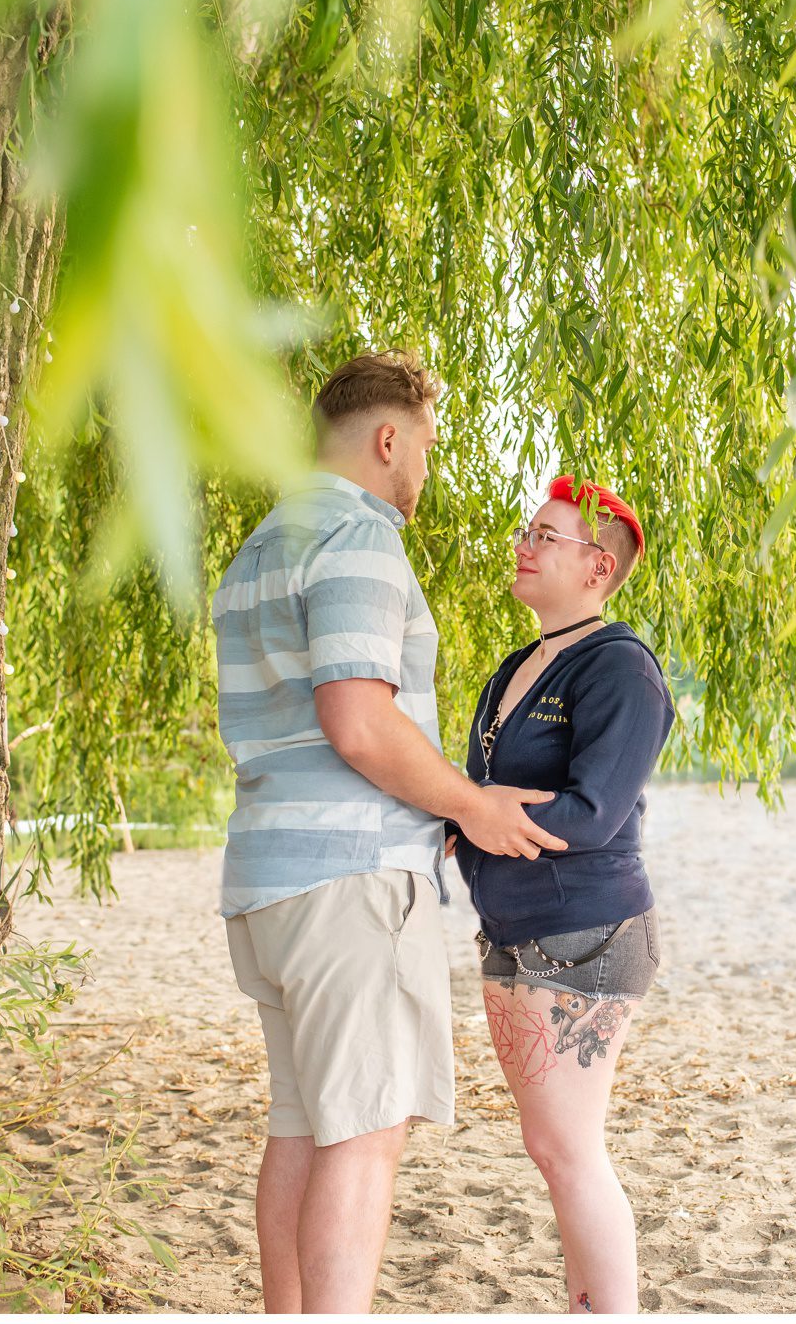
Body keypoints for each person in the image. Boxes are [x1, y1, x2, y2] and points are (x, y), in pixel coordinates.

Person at [211, 350, 566, 1313]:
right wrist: (469, 803)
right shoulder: (359, 539)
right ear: (387, 438)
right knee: (364, 1138)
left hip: (268, 877)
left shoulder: (260, 547)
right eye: (427, 449)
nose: (425, 472)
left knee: (304, 1127)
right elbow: (360, 721)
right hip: (352, 883)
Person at [447, 474, 675, 1314]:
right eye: (527, 529)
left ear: (597, 566)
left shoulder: (619, 666)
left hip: (585, 929)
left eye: (545, 535)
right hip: (513, 925)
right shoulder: (519, 664)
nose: (524, 544)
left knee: (569, 1150)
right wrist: (463, 818)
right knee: (550, 1147)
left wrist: (469, 816)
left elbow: (592, 812)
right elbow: (478, 791)